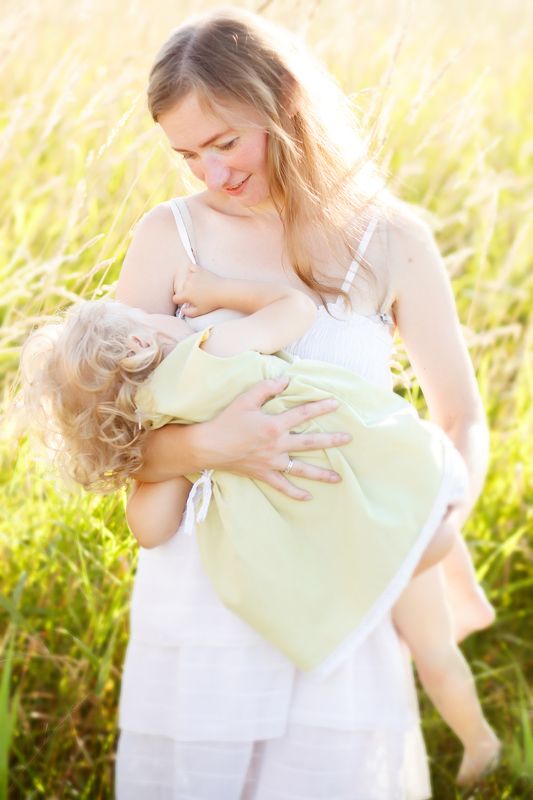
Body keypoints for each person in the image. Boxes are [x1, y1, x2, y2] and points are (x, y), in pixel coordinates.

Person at [109, 7, 498, 797]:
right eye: (186, 154)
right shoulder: (168, 239)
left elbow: (460, 416)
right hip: (204, 599)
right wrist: (209, 446)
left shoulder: (389, 238)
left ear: (284, 98)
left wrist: (421, 534)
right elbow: (113, 436)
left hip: (345, 589)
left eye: (224, 142)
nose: (211, 174)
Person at [20, 273, 466, 672]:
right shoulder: (208, 351)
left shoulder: (162, 421)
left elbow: (151, 530)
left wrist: (191, 456)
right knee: (419, 519)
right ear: (141, 344)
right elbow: (296, 310)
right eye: (148, 318)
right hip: (332, 452)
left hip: (280, 547)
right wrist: (220, 290)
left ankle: (407, 585)